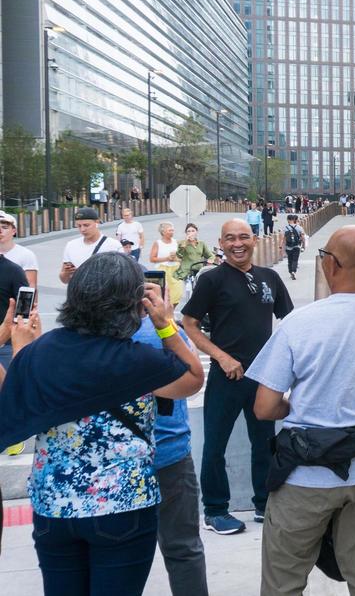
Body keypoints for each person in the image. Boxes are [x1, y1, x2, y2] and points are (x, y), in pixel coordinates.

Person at [0, 253, 204, 596]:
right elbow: (192, 379)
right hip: (121, 504)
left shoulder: (42, 351)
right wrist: (165, 324)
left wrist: (21, 346)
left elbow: (24, 395)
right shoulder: (138, 359)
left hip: (54, 506)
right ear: (134, 303)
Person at [248, 224, 355, 596]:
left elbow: (264, 407)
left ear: (332, 265)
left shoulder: (299, 324)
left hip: (304, 477)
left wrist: (299, 404)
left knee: (284, 582)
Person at [180, 217, 295, 535]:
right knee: (215, 445)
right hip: (226, 377)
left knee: (265, 442)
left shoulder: (270, 278)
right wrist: (221, 356)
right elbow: (189, 323)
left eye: (243, 237)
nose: (237, 244)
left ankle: (264, 503)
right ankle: (215, 510)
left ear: (254, 240)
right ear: (221, 242)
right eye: (230, 238)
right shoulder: (211, 279)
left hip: (263, 378)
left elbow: (290, 321)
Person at [133, 313, 210, 595]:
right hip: (169, 452)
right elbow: (193, 377)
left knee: (117, 556)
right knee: (183, 549)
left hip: (116, 464)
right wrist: (166, 321)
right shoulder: (159, 331)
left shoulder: (90, 335)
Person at [61, 206, 124, 285]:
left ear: (97, 222)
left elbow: (123, 277)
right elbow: (64, 279)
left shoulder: (114, 245)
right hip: (79, 295)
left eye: (86, 225)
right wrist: (66, 273)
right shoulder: (71, 245)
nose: (82, 229)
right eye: (79, 226)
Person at [0, 209, 40, 289]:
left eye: (4, 227)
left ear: (14, 231)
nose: (0, 231)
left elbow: (30, 289)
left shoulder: (25, 255)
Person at [175, 223, 214, 299]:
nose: (191, 233)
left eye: (193, 231)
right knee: (188, 289)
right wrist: (185, 243)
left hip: (199, 270)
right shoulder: (182, 243)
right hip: (187, 270)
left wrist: (211, 259)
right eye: (188, 231)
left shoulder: (201, 244)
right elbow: (179, 254)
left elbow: (210, 255)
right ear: (186, 233)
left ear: (196, 232)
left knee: (201, 289)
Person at [150, 221, 183, 305]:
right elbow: (152, 259)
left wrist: (176, 259)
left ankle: (171, 310)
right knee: (164, 293)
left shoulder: (176, 242)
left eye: (172, 230)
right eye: (169, 230)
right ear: (163, 232)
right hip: (162, 269)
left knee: (177, 293)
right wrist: (167, 258)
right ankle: (166, 313)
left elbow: (182, 258)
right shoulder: (158, 243)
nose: (172, 232)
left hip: (175, 270)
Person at [282, 213, 307, 281]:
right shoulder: (299, 227)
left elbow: (284, 239)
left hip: (288, 246)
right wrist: (303, 245)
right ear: (294, 220)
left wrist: (283, 249)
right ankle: (294, 271)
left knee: (290, 260)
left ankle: (290, 272)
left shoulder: (285, 228)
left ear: (288, 220)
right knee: (295, 260)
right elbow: (302, 237)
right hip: (297, 246)